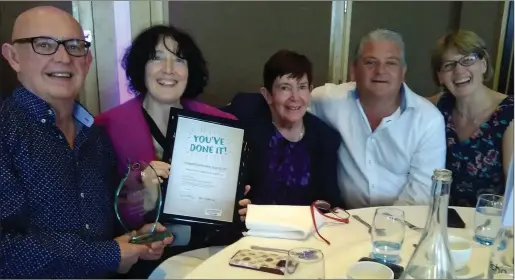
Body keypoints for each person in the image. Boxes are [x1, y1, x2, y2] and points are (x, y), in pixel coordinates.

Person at [0, 6, 173, 278]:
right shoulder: (5, 131)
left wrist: (134, 240)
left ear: (87, 60)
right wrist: (110, 254)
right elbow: (5, 250)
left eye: (74, 46)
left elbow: (100, 230)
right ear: (13, 57)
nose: (63, 57)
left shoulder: (95, 136)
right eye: (44, 45)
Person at [94, 25, 249, 278]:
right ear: (141, 67)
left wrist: (237, 203)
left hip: (213, 253)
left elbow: (239, 197)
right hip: (145, 260)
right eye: (156, 58)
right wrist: (138, 188)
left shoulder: (221, 124)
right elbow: (95, 214)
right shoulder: (107, 128)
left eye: (179, 59)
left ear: (190, 71)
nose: (168, 69)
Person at [309, 29, 446, 209]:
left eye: (391, 63)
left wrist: (384, 227)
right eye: (370, 62)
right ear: (353, 69)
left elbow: (421, 194)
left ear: (403, 72)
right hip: (343, 221)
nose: (380, 71)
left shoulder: (428, 120)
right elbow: (288, 108)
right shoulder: (328, 100)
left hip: (404, 225)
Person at [223, 50, 344, 207]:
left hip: (304, 228)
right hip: (251, 227)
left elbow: (331, 202)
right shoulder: (246, 117)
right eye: (285, 88)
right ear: (267, 95)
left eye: (302, 87)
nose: (295, 97)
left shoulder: (325, 138)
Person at [428, 30, 514, 207]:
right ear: (440, 77)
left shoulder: (509, 115)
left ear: (483, 64)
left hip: (487, 224)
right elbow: (400, 103)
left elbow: (513, 193)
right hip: (438, 219)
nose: (459, 70)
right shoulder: (438, 106)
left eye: (468, 60)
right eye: (448, 65)